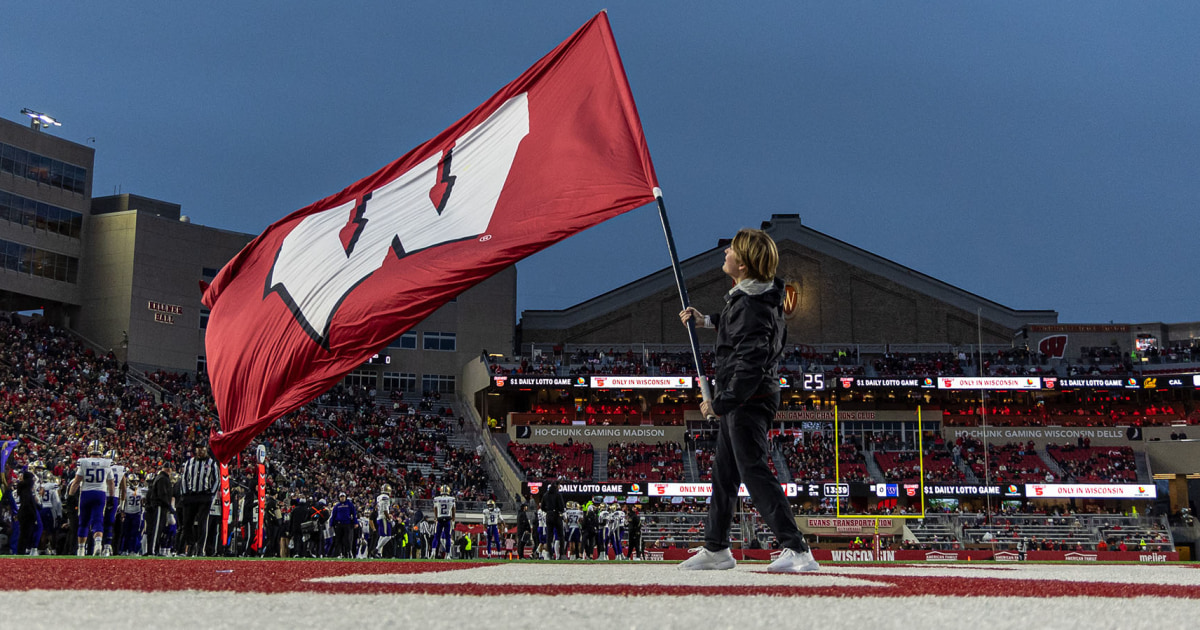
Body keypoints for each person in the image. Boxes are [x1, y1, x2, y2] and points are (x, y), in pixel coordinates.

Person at [677, 228, 818, 573]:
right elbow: (735, 328)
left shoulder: (752, 305)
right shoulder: (750, 298)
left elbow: (749, 364)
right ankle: (716, 548)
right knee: (724, 474)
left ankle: (797, 549)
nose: (725, 251)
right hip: (746, 397)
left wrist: (720, 402)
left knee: (752, 471)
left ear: (743, 263)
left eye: (732, 250)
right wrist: (704, 319)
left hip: (748, 400)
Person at [68, 440, 115, 556]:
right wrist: (111, 498)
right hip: (100, 493)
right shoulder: (106, 463)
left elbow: (76, 482)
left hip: (86, 493)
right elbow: (111, 483)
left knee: (83, 521)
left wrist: (70, 496)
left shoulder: (84, 462)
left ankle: (81, 549)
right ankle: (98, 544)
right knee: (98, 520)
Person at [178, 443, 218, 556]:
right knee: (186, 523)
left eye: (203, 449)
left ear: (206, 450)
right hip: (190, 495)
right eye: (198, 449)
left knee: (202, 522)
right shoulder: (189, 463)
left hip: (204, 496)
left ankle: (200, 548)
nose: (200, 451)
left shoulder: (211, 463)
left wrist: (211, 494)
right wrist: (184, 494)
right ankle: (191, 544)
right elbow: (184, 478)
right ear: (195, 450)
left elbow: (217, 480)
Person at [144, 462, 174, 556]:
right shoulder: (163, 478)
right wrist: (168, 505)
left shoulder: (161, 477)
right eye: (167, 468)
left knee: (158, 529)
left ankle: (154, 550)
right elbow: (162, 494)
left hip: (160, 506)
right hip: (160, 506)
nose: (168, 470)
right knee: (156, 529)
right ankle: (152, 550)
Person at [331, 492, 358, 559]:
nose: (342, 498)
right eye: (341, 497)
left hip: (347, 524)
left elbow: (354, 514)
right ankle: (339, 553)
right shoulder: (337, 506)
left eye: (343, 496)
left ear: (345, 497)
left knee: (347, 539)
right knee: (338, 540)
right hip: (339, 524)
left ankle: (348, 552)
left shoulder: (349, 504)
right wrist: (331, 524)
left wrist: (355, 522)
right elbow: (333, 515)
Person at [433, 485, 456, 558]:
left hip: (439, 518)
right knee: (448, 537)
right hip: (447, 519)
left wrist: (436, 517)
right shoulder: (451, 499)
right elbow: (453, 509)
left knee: (436, 536)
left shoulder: (437, 499)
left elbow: (435, 509)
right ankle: (448, 554)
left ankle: (433, 551)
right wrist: (453, 518)